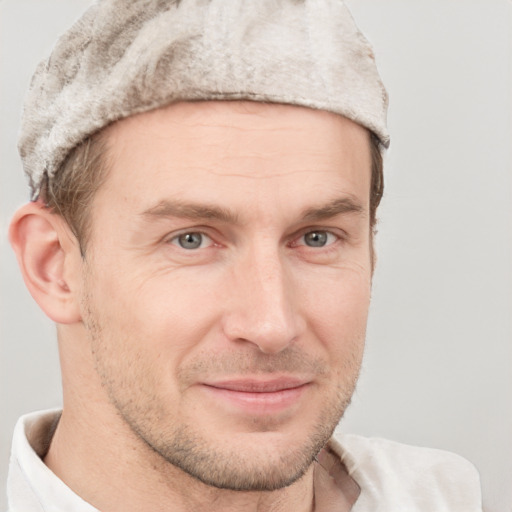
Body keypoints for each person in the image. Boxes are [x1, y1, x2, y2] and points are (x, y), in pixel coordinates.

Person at [6, 1, 483, 510]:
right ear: (54, 266)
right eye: (191, 239)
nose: (271, 324)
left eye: (317, 237)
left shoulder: (444, 497)